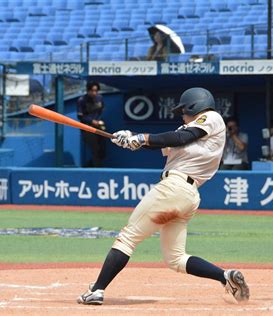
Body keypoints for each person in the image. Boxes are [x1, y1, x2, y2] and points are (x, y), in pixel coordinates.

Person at [77, 88, 249, 305]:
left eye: (184, 111)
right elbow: (165, 142)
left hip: (174, 187)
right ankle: (225, 277)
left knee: (128, 238)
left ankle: (97, 290)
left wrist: (142, 137)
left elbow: (179, 137)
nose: (182, 115)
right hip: (186, 195)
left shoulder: (211, 118)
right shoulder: (192, 132)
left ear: (195, 106)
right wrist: (130, 139)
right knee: (176, 259)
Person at [77, 81, 106, 167]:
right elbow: (80, 116)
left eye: (96, 91)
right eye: (92, 90)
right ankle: (98, 171)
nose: (94, 93)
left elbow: (102, 110)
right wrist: (91, 121)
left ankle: (89, 166)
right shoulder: (81, 100)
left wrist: (99, 121)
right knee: (95, 149)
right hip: (87, 128)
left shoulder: (100, 98)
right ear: (87, 90)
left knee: (103, 151)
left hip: (99, 126)